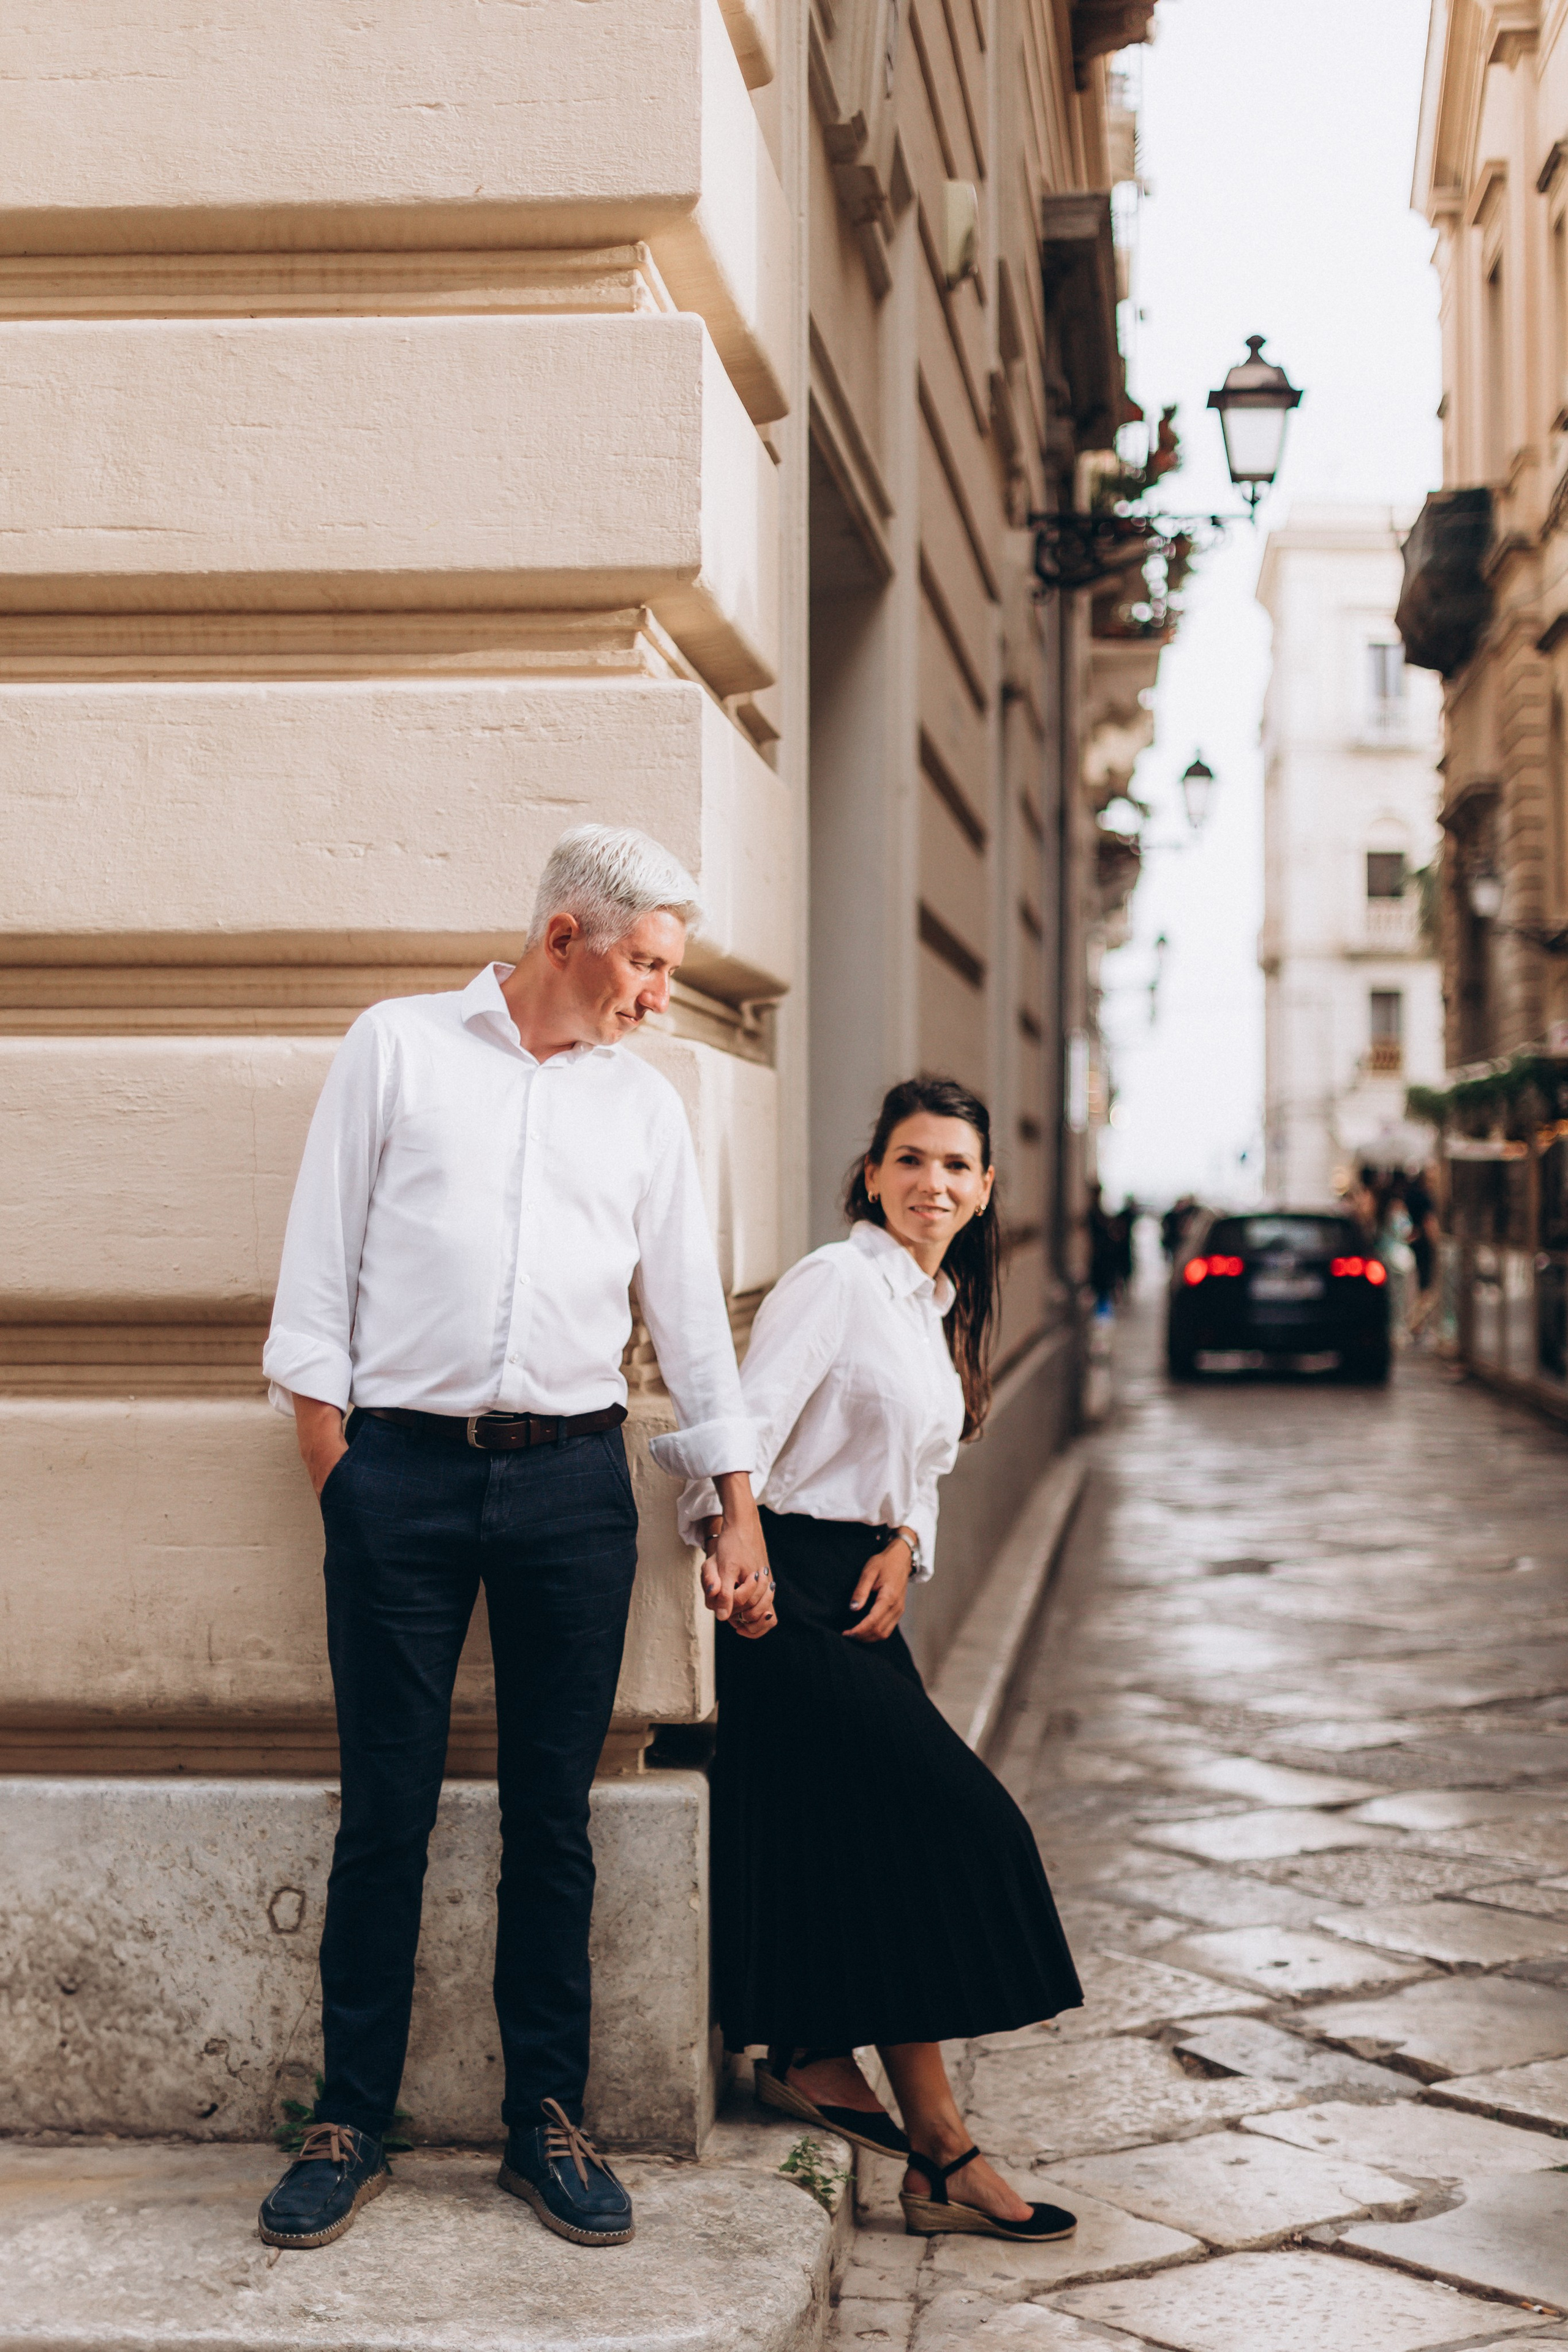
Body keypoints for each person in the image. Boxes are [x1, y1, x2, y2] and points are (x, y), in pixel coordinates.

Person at [255, 825, 774, 2253]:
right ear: (568, 939)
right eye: (650, 965)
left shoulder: (644, 1109)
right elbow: (315, 1277)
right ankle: (349, 2118)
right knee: (387, 1813)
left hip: (568, 1489)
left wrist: (734, 1509)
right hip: (399, 1480)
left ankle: (546, 2117)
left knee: (555, 1821)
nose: (662, 996)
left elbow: (687, 1323)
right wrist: (340, 1473)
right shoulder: (399, 1048)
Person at [683, 1077, 1083, 2244]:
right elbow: (740, 1429)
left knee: (890, 1848)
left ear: (985, 1189)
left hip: (863, 1597)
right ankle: (822, 2060)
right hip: (786, 1601)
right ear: (872, 1173)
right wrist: (737, 1550)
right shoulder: (837, 1281)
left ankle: (935, 2148)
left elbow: (923, 1461)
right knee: (965, 1827)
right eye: (912, 1161)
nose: (933, 1185)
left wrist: (908, 1541)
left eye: (956, 1167)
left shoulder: (930, 1301)